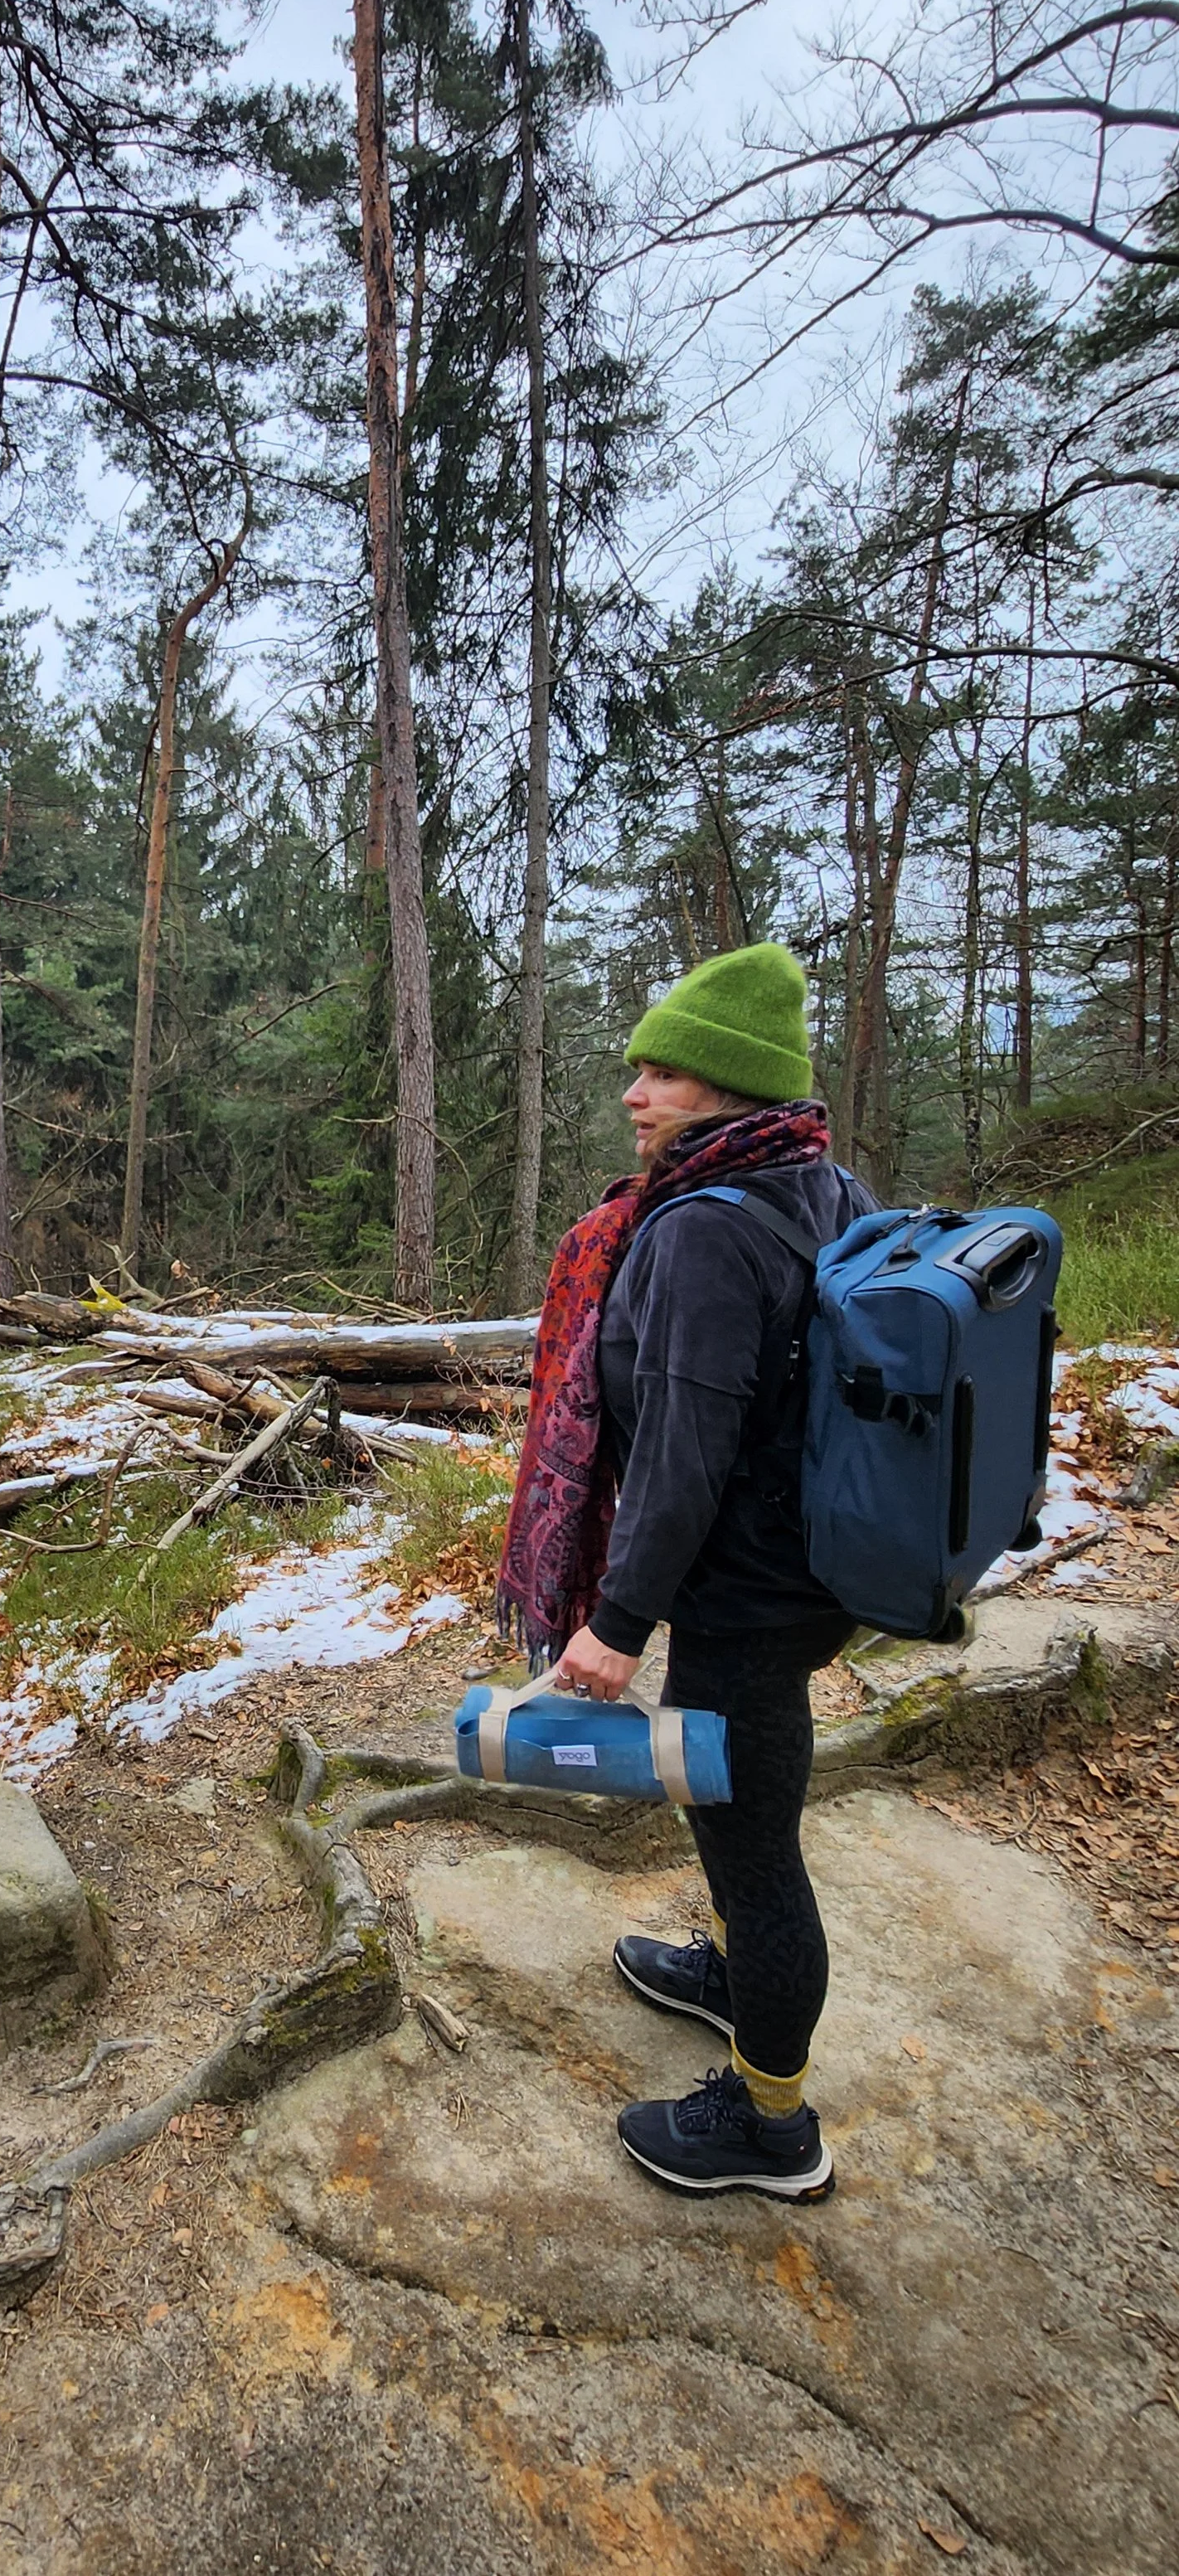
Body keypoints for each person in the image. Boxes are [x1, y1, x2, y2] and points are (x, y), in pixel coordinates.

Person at [494, 941, 870, 2203]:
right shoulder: (818, 1182)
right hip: (805, 1569)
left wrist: (617, 1623)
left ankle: (772, 2128)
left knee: (755, 1843)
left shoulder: (705, 1232)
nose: (634, 1095)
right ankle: (731, 1977)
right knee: (740, 1809)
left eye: (658, 1073)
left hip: (744, 1591)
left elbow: (687, 1453)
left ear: (722, 1087)